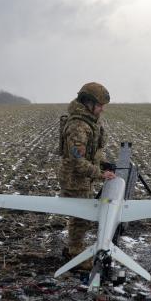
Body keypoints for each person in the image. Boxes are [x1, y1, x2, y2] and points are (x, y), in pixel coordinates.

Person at [58, 82, 115, 262]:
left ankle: (73, 249)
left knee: (81, 216)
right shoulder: (78, 127)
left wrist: (103, 163)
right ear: (88, 103)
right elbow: (78, 162)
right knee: (81, 218)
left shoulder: (89, 122)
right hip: (75, 179)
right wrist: (100, 173)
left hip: (83, 177)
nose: (102, 110)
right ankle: (75, 254)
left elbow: (90, 152)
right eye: (99, 106)